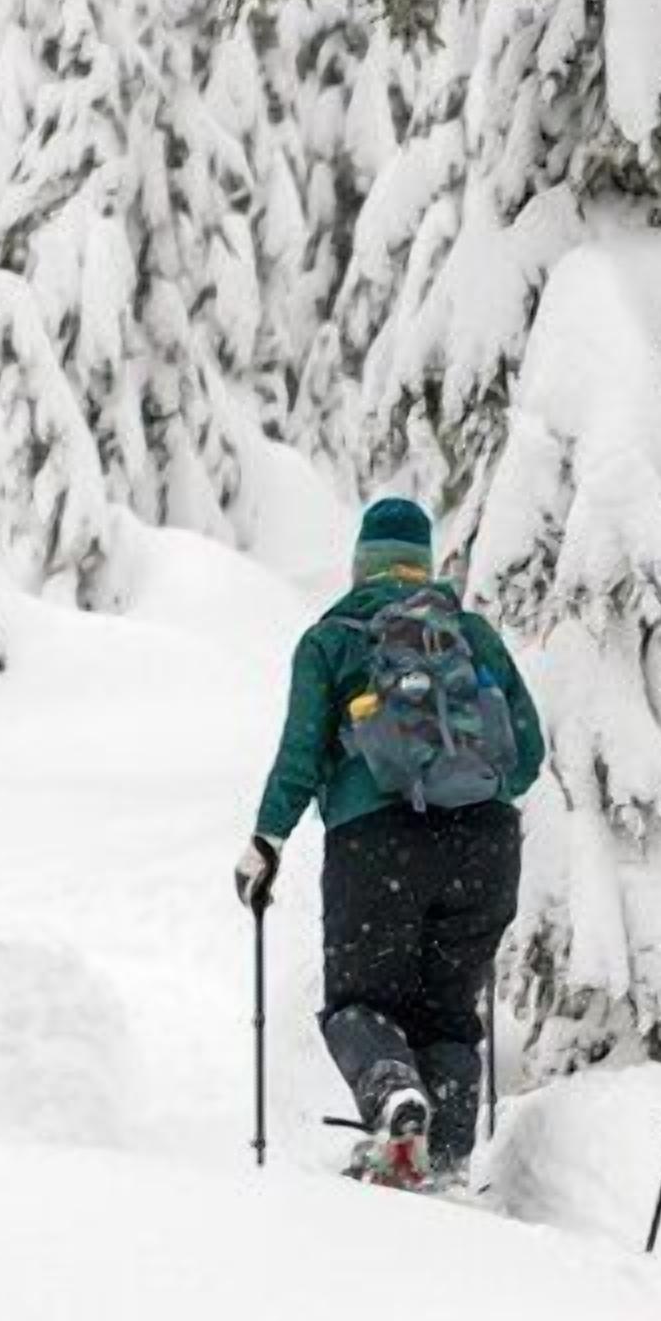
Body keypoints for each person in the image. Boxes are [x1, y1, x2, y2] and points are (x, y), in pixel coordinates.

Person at [237, 498, 543, 1188]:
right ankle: (447, 1166)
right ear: (425, 564)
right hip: (485, 845)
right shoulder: (471, 636)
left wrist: (266, 840)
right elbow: (526, 757)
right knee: (448, 1014)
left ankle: (396, 1099)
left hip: (376, 846)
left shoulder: (332, 639)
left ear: (361, 564)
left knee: (360, 1004)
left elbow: (299, 756)